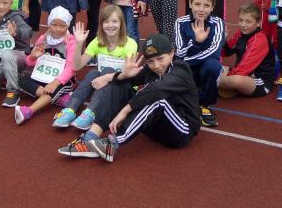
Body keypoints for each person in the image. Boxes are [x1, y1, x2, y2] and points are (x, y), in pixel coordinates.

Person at [57, 34, 200, 163]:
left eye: (160, 59)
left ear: (171, 53)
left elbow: (157, 89)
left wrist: (125, 110)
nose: (156, 65)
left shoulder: (181, 70)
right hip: (154, 127)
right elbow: (129, 80)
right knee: (120, 86)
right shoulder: (151, 69)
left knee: (156, 99)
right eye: (150, 61)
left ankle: (112, 144)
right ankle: (89, 138)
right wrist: (118, 75)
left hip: (180, 131)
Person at [52, 5, 137, 130]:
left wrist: (108, 77)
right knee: (93, 73)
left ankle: (90, 113)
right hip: (104, 85)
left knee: (107, 70)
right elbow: (77, 66)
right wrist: (79, 44)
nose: (110, 25)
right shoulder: (97, 42)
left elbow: (128, 75)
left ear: (121, 24)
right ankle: (69, 110)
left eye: (114, 21)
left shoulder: (130, 44)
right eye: (106, 21)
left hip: (124, 87)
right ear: (101, 24)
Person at [14, 6, 79, 125]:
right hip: (42, 78)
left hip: (62, 80)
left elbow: (71, 68)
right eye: (54, 25)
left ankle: (29, 111)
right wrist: (33, 57)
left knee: (55, 88)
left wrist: (56, 82)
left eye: (62, 26)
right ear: (49, 24)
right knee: (20, 80)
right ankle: (59, 98)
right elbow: (30, 63)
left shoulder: (71, 42)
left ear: (68, 26)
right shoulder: (42, 39)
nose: (58, 29)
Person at [174, 0, 225, 127]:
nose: (201, 9)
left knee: (214, 66)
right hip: (187, 69)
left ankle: (203, 104)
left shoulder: (218, 23)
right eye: (197, 4)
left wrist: (188, 59)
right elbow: (180, 52)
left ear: (212, 7)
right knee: (175, 68)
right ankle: (185, 99)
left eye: (206, 5)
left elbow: (215, 51)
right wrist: (196, 42)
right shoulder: (181, 22)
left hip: (200, 67)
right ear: (190, 4)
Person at [219, 3, 276, 97]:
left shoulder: (259, 40)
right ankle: (222, 83)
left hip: (259, 81)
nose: (243, 25)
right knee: (212, 67)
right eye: (241, 20)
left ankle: (218, 83)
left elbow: (244, 68)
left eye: (248, 22)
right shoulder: (240, 34)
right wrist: (223, 40)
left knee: (235, 80)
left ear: (258, 23)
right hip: (242, 73)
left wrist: (226, 76)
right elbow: (225, 53)